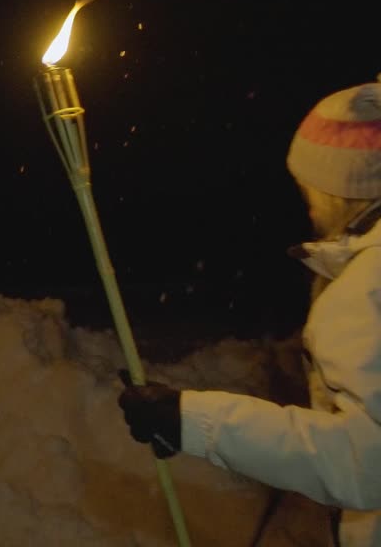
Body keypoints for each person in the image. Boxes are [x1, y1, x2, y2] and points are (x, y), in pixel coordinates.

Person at [118, 77, 381, 546]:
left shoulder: (367, 291)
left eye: (308, 190)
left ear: (341, 190)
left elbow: (364, 461)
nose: (308, 207)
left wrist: (193, 421)